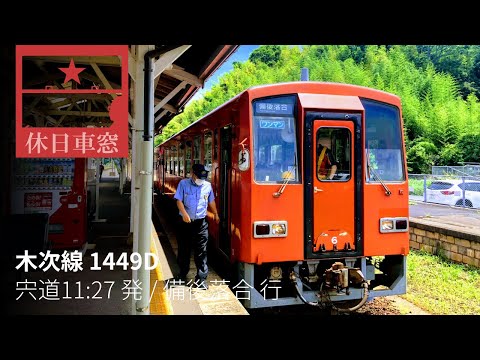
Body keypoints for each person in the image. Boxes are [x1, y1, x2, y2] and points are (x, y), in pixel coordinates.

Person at [173, 163, 220, 290]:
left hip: (201, 223)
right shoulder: (183, 184)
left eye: (203, 178)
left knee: (202, 251)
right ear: (192, 174)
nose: (201, 180)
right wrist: (184, 214)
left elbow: (211, 201)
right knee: (184, 249)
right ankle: (182, 274)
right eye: (199, 177)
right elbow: (179, 201)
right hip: (185, 222)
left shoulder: (207, 185)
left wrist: (215, 213)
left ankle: (201, 279)